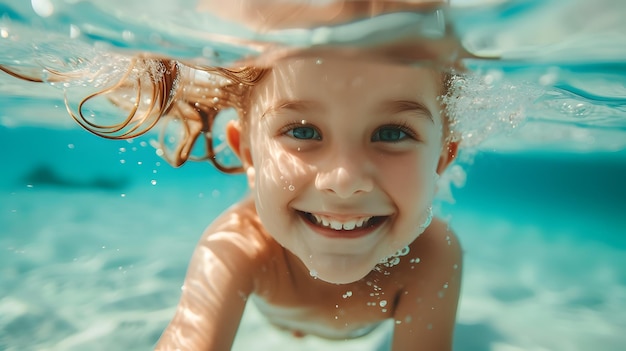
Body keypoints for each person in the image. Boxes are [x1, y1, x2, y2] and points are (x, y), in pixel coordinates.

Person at [0, 2, 464, 350]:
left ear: (442, 158)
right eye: (302, 131)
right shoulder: (237, 247)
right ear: (248, 153)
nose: (343, 180)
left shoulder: (433, 257)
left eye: (391, 132)